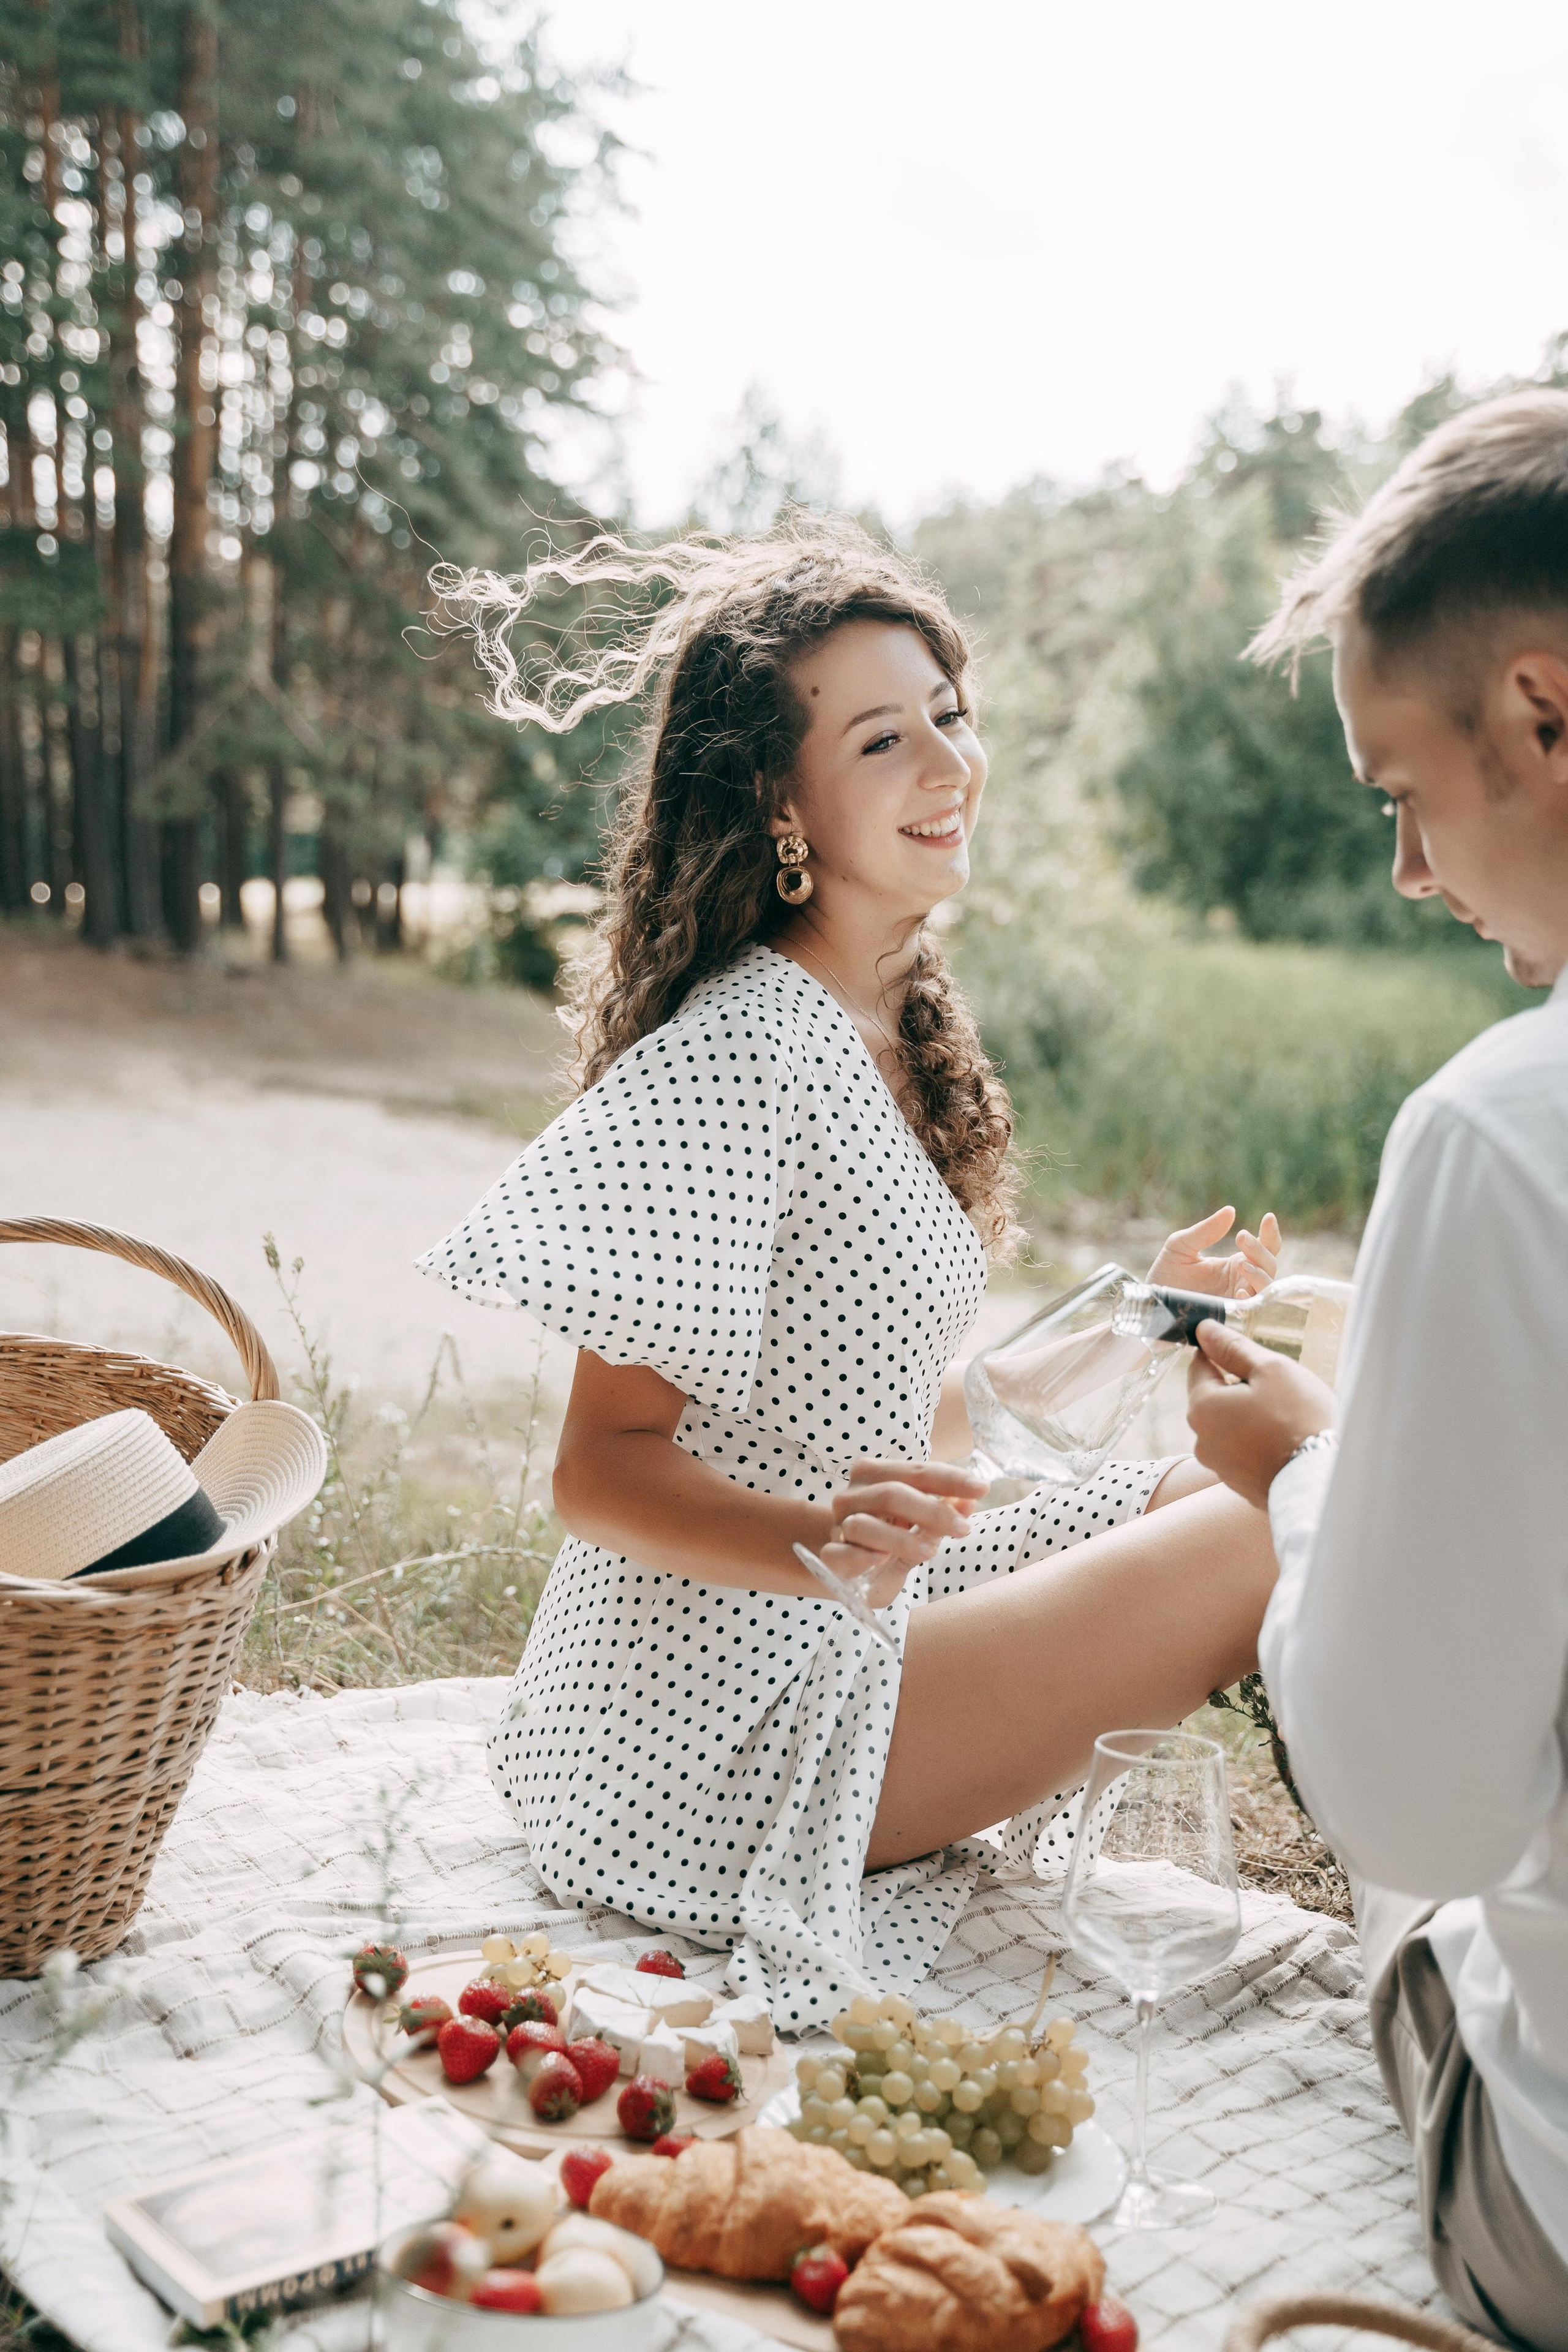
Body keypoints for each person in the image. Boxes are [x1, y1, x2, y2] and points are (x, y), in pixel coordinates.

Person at [419, 518, 1278, 2026]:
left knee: (1243, 1487)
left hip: (829, 1618)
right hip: (698, 1741)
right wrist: (818, 1541)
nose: (948, 765)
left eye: (950, 716)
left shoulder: (886, 1036)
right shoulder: (744, 1052)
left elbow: (886, 1412)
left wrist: (1148, 1319)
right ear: (778, 802)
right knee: (1267, 1535)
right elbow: (599, 1469)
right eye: (885, 739)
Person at [1186, 391, 1568, 2348]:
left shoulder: (1504, 1137)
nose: (1410, 870)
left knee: (1421, 1906)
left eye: (1401, 790)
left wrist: (1312, 1473)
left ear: (1545, 709)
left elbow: (1418, 1815)